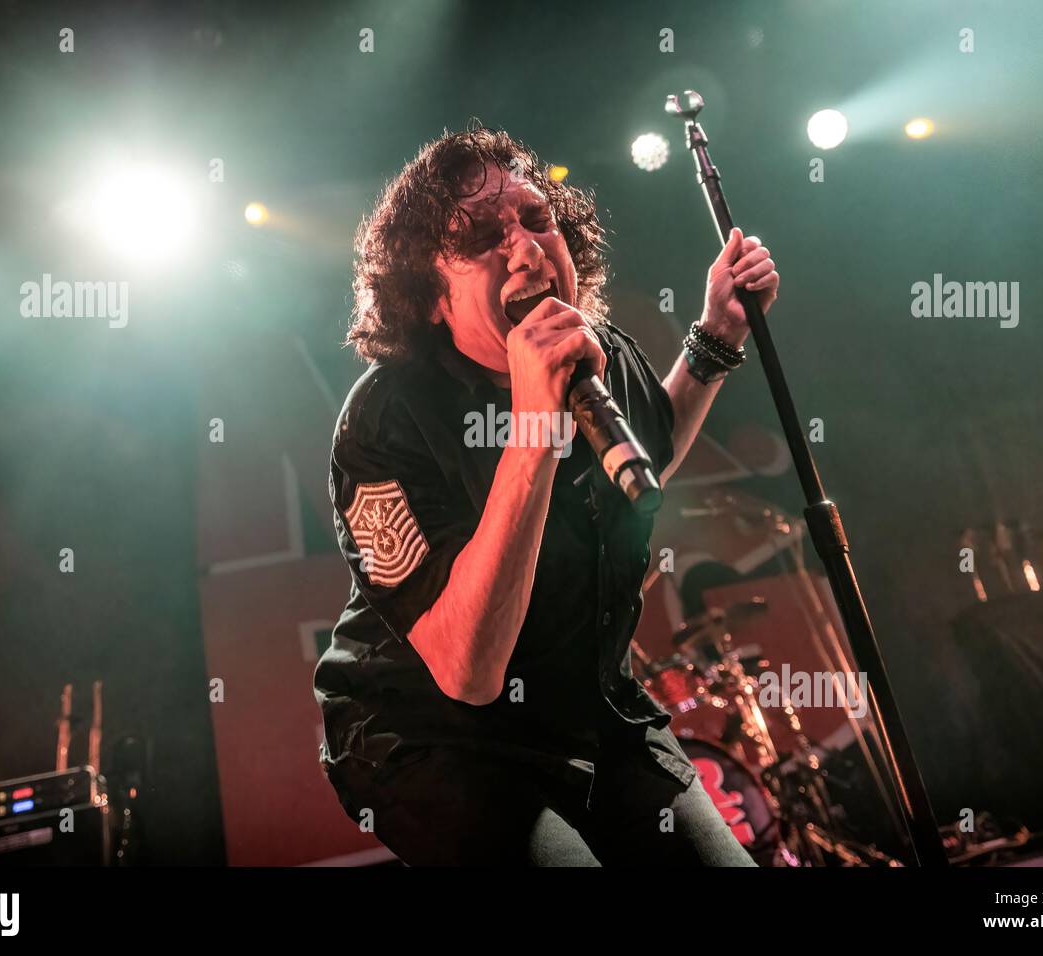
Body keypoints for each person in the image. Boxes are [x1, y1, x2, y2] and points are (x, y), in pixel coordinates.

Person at [313, 126, 780, 865]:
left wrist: (715, 335)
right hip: (432, 738)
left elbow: (645, 449)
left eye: (537, 220)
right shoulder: (382, 425)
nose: (527, 247)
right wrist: (533, 428)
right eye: (480, 236)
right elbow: (467, 671)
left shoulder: (599, 352)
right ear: (431, 295)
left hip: (589, 712)